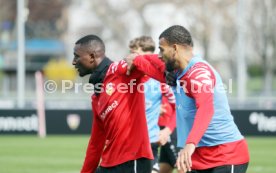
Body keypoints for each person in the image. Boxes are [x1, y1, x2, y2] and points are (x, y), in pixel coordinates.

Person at [125, 25, 250, 173]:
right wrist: (136, 59)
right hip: (196, 159)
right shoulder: (177, 72)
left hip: (225, 157)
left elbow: (206, 108)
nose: (159, 54)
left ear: (175, 48)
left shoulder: (198, 73)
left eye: (162, 49)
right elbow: (152, 65)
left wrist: (190, 144)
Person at [72, 34, 153, 173]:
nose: (73, 62)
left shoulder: (120, 70)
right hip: (109, 164)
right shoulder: (96, 96)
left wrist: (138, 58)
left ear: (92, 56)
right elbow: (96, 143)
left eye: (76, 56)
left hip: (133, 161)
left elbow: (154, 63)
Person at [129, 36, 178, 173]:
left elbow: (179, 106)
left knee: (182, 167)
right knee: (165, 167)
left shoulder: (159, 80)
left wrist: (167, 129)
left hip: (157, 137)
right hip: (131, 142)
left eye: (134, 52)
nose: (130, 56)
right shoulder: (128, 81)